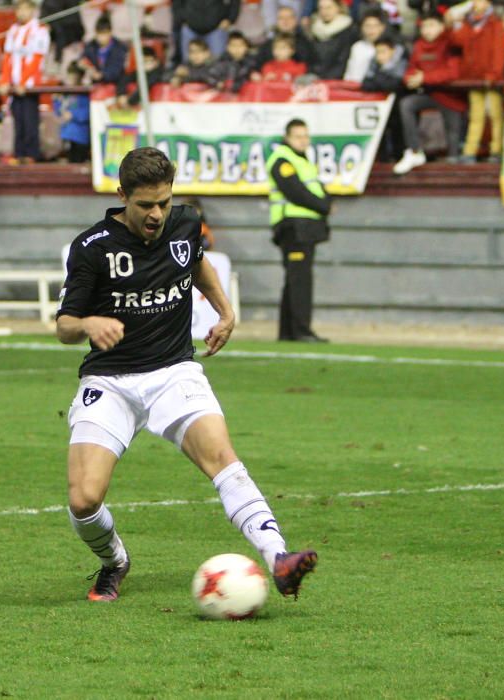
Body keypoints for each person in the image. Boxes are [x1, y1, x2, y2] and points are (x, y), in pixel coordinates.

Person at [55, 146, 317, 603]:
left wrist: (225, 310)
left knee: (222, 457)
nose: (157, 214)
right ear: (122, 196)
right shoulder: (92, 248)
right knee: (83, 499)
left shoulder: (186, 222)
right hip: (110, 380)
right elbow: (63, 326)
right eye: (145, 206)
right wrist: (88, 324)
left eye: (164, 202)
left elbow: (196, 263)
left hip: (174, 370)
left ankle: (279, 557)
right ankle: (114, 561)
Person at [265, 119, 331, 342]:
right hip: (294, 227)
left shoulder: (302, 161)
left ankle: (288, 332)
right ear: (287, 138)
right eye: (298, 136)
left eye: (305, 135)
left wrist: (325, 202)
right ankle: (302, 331)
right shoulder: (283, 160)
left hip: (304, 228)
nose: (303, 140)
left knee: (294, 280)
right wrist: (324, 205)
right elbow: (296, 193)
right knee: (300, 280)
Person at [394, 12, 466, 174]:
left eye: (431, 25)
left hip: (451, 96)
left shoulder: (451, 44)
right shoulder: (419, 45)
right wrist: (410, 79)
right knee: (407, 104)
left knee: (453, 137)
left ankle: (453, 161)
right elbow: (412, 68)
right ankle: (414, 150)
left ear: (442, 27)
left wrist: (424, 77)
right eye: (424, 26)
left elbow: (452, 73)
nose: (427, 30)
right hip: (429, 94)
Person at [450, 0, 504, 163]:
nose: (476, 3)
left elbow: (499, 51)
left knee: (496, 115)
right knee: (476, 115)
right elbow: (457, 40)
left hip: (492, 79)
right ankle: (470, 151)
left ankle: (497, 150)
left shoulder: (495, 24)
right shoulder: (468, 23)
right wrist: (458, 21)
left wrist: (494, 74)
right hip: (473, 79)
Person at [0, 0, 51, 164]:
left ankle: (31, 154)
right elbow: (7, 58)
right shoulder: (13, 30)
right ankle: (18, 153)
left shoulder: (40, 30)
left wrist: (23, 81)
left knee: (30, 120)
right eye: (19, 9)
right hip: (15, 84)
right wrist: (5, 80)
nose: (21, 13)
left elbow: (36, 58)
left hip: (29, 84)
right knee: (18, 119)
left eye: (25, 9)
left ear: (32, 11)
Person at [307, 0, 359, 79]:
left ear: (338, 8)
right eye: (321, 8)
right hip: (316, 78)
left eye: (329, 7)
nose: (324, 11)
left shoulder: (350, 30)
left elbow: (344, 59)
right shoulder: (315, 30)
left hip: (338, 80)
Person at [54, 63, 91, 163]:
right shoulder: (65, 92)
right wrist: (56, 101)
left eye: (74, 76)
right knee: (69, 161)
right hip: (66, 135)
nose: (71, 79)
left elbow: (88, 113)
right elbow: (58, 111)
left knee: (78, 161)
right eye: (69, 75)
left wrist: (73, 114)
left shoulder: (84, 93)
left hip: (81, 136)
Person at [78, 14, 129, 85]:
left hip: (115, 84)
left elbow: (117, 70)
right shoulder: (91, 45)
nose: (101, 37)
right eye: (99, 34)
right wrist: (82, 64)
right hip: (93, 83)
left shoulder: (119, 48)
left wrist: (102, 75)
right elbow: (82, 58)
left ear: (110, 32)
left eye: (104, 33)